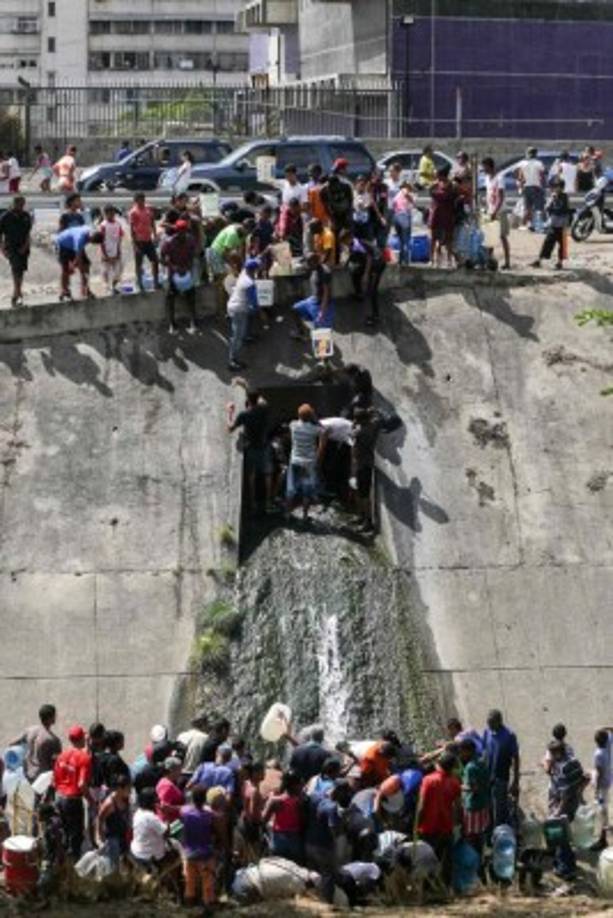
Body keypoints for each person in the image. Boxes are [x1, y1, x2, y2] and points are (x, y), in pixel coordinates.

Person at [416, 751, 461, 888]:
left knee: (426, 861)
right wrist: (456, 825)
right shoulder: (455, 782)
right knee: (445, 862)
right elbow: (458, 807)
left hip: (428, 828)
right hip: (446, 828)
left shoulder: (428, 780)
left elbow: (422, 806)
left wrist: (417, 824)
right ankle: (445, 890)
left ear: (439, 764)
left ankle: (426, 890)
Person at [227, 389, 273, 512]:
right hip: (264, 446)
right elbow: (263, 400)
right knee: (267, 475)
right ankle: (268, 503)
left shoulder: (244, 415)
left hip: (252, 447)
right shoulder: (264, 409)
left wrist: (230, 412)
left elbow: (230, 428)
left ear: (248, 400)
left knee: (251, 475)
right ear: (258, 399)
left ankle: (253, 503)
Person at [548, 741, 588, 879]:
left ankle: (565, 869)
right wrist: (579, 794)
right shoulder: (574, 761)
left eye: (552, 754)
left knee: (560, 836)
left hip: (565, 805)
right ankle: (570, 862)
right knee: (564, 834)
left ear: (558, 753)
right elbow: (584, 778)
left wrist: (558, 811)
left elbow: (565, 794)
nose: (551, 756)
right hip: (574, 802)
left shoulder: (562, 767)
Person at [52, 724, 92, 860]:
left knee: (63, 832)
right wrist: (91, 800)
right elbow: (81, 784)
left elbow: (54, 781)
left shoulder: (61, 756)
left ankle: (62, 861)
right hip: (73, 801)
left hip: (59, 798)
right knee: (76, 836)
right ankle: (74, 864)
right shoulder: (84, 758)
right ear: (82, 739)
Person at [180, 784, 219, 910]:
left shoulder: (185, 812)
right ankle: (208, 905)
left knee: (189, 883)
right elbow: (216, 821)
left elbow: (181, 810)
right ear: (205, 799)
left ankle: (188, 907)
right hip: (206, 854)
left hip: (189, 854)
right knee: (207, 884)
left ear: (192, 798)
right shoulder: (209, 815)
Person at [285, 403, 325, 521]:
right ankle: (305, 516)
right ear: (311, 416)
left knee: (290, 489)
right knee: (307, 491)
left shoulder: (293, 425)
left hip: (295, 460)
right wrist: (314, 418)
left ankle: (287, 513)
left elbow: (294, 422)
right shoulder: (314, 429)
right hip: (309, 463)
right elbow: (323, 430)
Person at [482, 709, 520, 828]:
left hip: (501, 777)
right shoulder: (487, 732)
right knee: (488, 806)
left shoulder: (509, 735)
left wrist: (515, 780)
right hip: (487, 776)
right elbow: (484, 752)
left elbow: (515, 758)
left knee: (499, 809)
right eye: (488, 723)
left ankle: (499, 831)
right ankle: (491, 831)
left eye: (491, 723)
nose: (489, 725)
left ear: (499, 721)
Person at [161, 218, 197, 333]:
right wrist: (174, 267)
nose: (182, 234)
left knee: (191, 296)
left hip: (186, 272)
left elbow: (192, 256)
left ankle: (193, 321)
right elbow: (162, 259)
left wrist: (187, 267)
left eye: (184, 232)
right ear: (176, 231)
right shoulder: (169, 242)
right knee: (170, 297)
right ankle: (172, 323)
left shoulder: (190, 240)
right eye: (180, 232)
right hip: (173, 273)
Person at [352, 407, 384, 534]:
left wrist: (353, 467)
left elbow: (353, 446)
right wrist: (373, 411)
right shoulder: (374, 425)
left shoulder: (359, 432)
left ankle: (367, 521)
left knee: (363, 494)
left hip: (361, 465)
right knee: (363, 493)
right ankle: (362, 517)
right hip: (369, 462)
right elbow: (379, 417)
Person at [10, 703, 61, 782]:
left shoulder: (30, 730)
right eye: (54, 715)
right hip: (42, 777)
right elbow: (57, 762)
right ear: (50, 718)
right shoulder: (54, 740)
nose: (55, 717)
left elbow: (12, 744)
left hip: (28, 773)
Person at [262, 771, 305, 863]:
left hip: (279, 838)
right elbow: (303, 821)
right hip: (294, 838)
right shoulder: (300, 801)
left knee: (278, 865)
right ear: (295, 785)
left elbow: (264, 818)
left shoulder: (275, 801)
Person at [226, 256, 260, 371]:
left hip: (236, 305)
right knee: (237, 336)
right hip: (238, 309)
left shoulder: (243, 273)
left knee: (241, 330)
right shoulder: (248, 283)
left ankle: (246, 337)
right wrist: (260, 311)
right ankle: (232, 361)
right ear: (254, 270)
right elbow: (254, 302)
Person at [458, 738, 490, 860]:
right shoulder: (482, 761)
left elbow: (473, 788)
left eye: (462, 751)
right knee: (480, 834)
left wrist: (459, 786)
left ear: (468, 751)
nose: (460, 754)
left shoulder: (470, 767)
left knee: (471, 835)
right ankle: (480, 857)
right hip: (483, 803)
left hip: (473, 806)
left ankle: (473, 859)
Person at [291, 252, 334, 340]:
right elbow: (304, 265)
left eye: (309, 264)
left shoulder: (325, 272)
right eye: (307, 263)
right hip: (313, 300)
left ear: (315, 262)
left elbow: (326, 293)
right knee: (295, 309)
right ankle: (300, 332)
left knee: (322, 338)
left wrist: (322, 312)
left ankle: (319, 326)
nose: (307, 266)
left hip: (322, 304)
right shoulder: (313, 268)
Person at [530, 178, 571, 270]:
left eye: (557, 186)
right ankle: (539, 260)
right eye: (554, 186)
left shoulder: (564, 197)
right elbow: (548, 209)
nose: (554, 188)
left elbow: (562, 208)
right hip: (553, 224)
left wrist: (555, 200)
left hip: (562, 225)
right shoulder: (552, 197)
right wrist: (551, 202)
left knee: (562, 245)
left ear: (561, 188)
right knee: (548, 242)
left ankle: (560, 262)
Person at [0, 195, 32, 307]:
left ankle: (16, 293)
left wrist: (25, 246)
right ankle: (18, 293)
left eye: (22, 204)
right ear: (14, 204)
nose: (21, 206)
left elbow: (28, 233)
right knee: (16, 268)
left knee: (21, 270)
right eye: (19, 204)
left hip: (24, 246)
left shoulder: (26, 216)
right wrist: (2, 248)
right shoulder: (5, 216)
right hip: (11, 246)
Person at [56, 223, 101, 301]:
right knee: (66, 269)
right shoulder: (80, 239)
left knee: (86, 265)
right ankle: (64, 290)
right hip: (63, 244)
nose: (89, 243)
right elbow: (78, 258)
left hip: (73, 243)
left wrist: (77, 265)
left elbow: (79, 258)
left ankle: (85, 289)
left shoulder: (90, 231)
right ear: (90, 237)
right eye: (90, 241)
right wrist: (77, 268)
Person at [481, 157, 511, 270]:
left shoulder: (499, 178)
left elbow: (500, 197)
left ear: (490, 166)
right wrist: (487, 209)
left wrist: (495, 211)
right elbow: (488, 194)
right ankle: (489, 260)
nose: (484, 169)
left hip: (500, 211)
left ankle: (507, 262)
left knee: (502, 236)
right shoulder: (487, 178)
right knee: (490, 237)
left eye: (485, 167)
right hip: (490, 210)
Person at [96, 774, 132, 868]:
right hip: (112, 838)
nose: (130, 791)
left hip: (123, 836)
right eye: (128, 789)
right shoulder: (109, 804)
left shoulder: (125, 799)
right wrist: (99, 839)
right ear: (120, 789)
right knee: (113, 866)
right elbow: (99, 819)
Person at [128, 192, 160, 292]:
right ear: (135, 201)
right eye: (139, 200)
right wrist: (134, 244)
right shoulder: (133, 212)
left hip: (148, 240)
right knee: (139, 264)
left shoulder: (148, 209)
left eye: (143, 199)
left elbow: (152, 222)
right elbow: (132, 228)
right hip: (139, 241)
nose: (142, 202)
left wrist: (155, 235)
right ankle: (140, 284)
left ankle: (156, 282)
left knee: (155, 260)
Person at [321, 163, 354, 259]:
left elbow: (350, 202)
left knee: (347, 237)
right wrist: (331, 218)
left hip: (344, 213)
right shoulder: (324, 190)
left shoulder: (345, 187)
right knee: (335, 237)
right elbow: (325, 206)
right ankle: (337, 259)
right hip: (335, 214)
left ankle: (351, 257)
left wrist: (348, 216)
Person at [130, 787, 168, 869]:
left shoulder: (138, 812)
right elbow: (166, 833)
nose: (158, 802)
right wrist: (165, 815)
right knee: (175, 847)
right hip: (149, 855)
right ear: (151, 803)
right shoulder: (151, 817)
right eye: (156, 801)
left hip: (137, 851)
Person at [429, 167, 457, 268]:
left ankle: (449, 260)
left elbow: (446, 196)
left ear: (442, 175)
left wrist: (436, 192)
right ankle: (433, 259)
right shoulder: (435, 185)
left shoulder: (451, 186)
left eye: (438, 175)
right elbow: (432, 193)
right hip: (436, 214)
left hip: (447, 215)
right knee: (434, 237)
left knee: (448, 239)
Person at [592, 728, 612, 852]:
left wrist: (596, 789)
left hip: (602, 785)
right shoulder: (609, 742)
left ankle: (602, 839)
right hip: (609, 780)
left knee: (601, 811)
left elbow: (599, 773)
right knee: (604, 808)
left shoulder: (598, 754)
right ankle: (605, 831)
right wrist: (606, 729)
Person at [98, 204, 124, 295]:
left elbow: (119, 238)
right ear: (105, 214)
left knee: (118, 270)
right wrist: (105, 254)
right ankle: (107, 288)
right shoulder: (103, 225)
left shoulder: (118, 224)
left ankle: (114, 286)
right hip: (105, 251)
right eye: (110, 212)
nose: (112, 214)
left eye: (113, 212)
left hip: (115, 250)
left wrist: (119, 251)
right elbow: (101, 241)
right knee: (106, 270)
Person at [516, 147, 545, 227]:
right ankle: (537, 224)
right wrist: (543, 186)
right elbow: (542, 176)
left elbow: (520, 177)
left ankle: (524, 224)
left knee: (527, 208)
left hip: (526, 188)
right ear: (535, 154)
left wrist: (520, 187)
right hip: (536, 188)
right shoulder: (539, 163)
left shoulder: (522, 164)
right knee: (538, 208)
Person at [177, 716, 209, 781]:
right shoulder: (205, 738)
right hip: (196, 775)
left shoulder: (181, 735)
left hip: (179, 774)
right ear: (204, 725)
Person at [156, 756, 185, 824]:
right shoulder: (167, 786)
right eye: (179, 770)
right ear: (172, 771)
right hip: (170, 823)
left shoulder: (164, 781)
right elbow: (163, 807)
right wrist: (182, 808)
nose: (181, 772)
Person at [392, 182, 414, 265]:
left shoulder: (397, 194)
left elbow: (393, 205)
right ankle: (406, 261)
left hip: (396, 216)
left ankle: (400, 261)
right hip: (405, 216)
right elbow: (411, 204)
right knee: (406, 240)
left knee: (401, 240)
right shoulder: (408, 193)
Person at [353, 174, 374, 241]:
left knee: (365, 241)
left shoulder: (367, 194)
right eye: (359, 183)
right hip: (355, 221)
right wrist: (356, 206)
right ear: (356, 184)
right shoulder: (353, 193)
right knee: (356, 240)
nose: (361, 185)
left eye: (363, 184)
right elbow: (351, 205)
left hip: (365, 222)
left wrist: (364, 206)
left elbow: (369, 204)